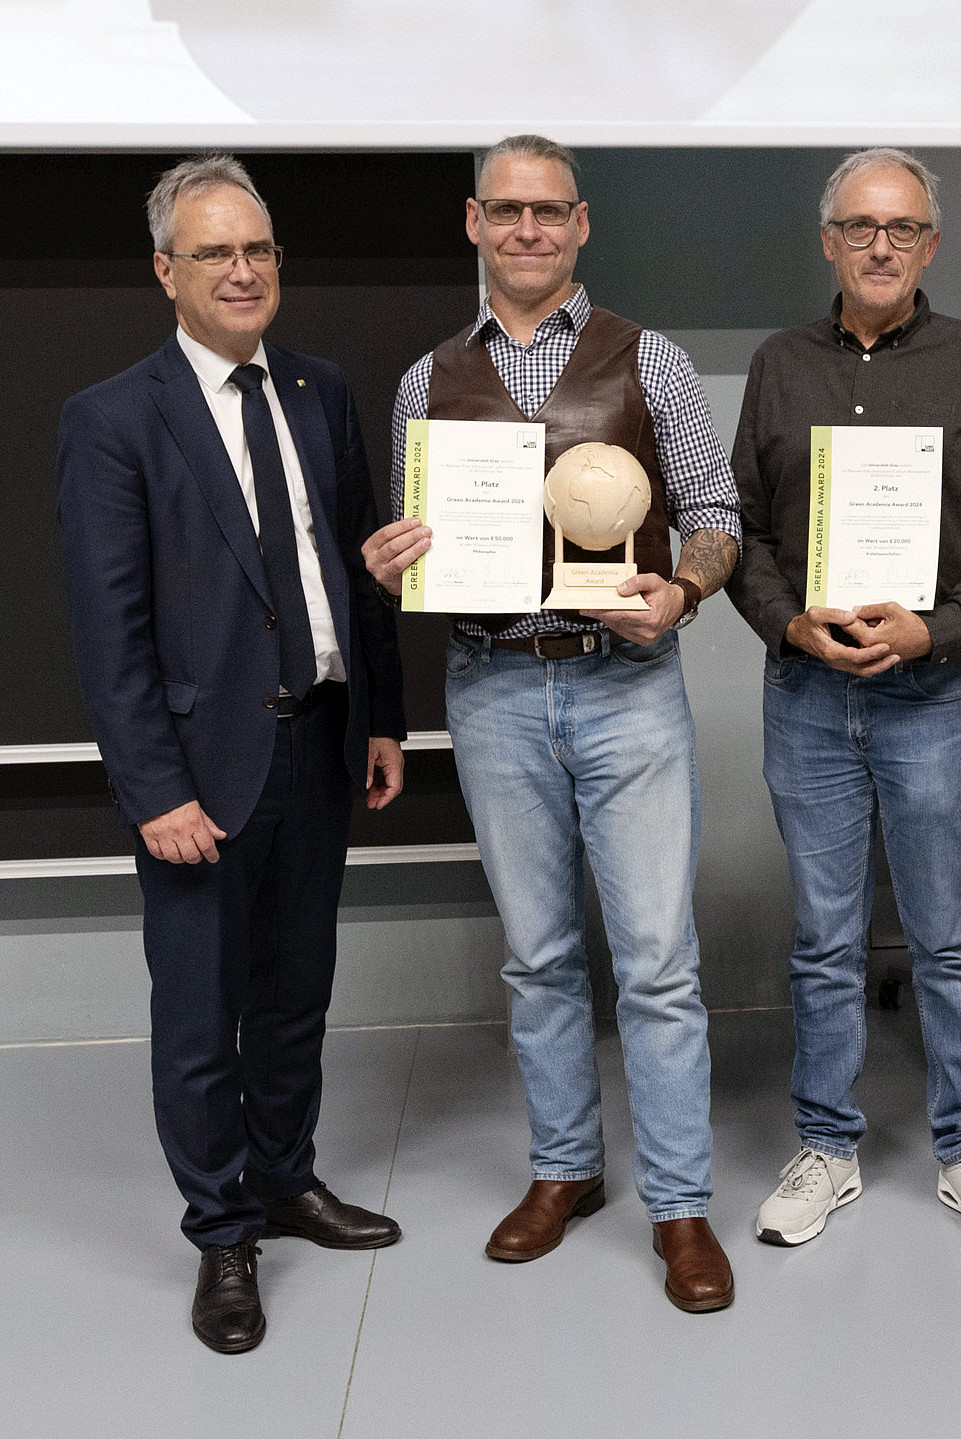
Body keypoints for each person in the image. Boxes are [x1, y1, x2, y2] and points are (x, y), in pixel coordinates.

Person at [362, 134, 740, 1313]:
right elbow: (423, 544)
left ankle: (679, 1203)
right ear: (474, 223)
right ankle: (564, 1169)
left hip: (626, 684)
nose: (528, 231)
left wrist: (680, 588)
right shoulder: (427, 381)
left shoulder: (653, 360)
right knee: (537, 957)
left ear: (581, 226)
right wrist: (392, 565)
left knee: (659, 963)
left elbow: (718, 513)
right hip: (491, 687)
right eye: (506, 212)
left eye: (551, 213)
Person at [55, 155, 408, 1354]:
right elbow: (111, 630)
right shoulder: (111, 419)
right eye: (215, 253)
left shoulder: (315, 386)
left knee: (295, 996)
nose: (244, 271)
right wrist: (153, 787)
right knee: (202, 1016)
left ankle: (286, 1179)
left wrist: (381, 716)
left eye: (257, 250)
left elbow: (356, 571)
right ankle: (222, 1232)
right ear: (167, 271)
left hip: (317, 750)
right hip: (201, 772)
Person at [725, 147, 961, 1250]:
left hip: (936, 691)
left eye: (901, 229)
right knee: (824, 940)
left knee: (948, 938)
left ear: (929, 246)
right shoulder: (778, 364)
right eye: (859, 226)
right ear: (828, 240)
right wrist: (786, 620)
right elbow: (749, 532)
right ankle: (826, 1144)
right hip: (808, 693)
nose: (878, 245)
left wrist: (935, 627)